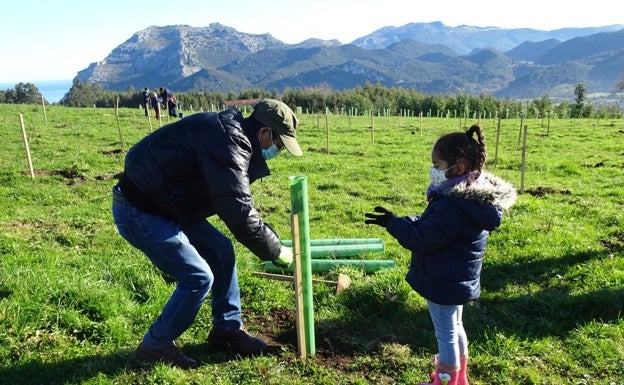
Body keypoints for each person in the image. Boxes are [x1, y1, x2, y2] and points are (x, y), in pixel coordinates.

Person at [112, 98, 303, 369]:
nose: (277, 151)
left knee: (221, 251)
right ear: (264, 133)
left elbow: (234, 202)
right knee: (198, 277)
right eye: (279, 145)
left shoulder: (232, 135)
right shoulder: (229, 143)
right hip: (141, 209)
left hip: (169, 202)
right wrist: (276, 250)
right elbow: (237, 210)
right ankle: (155, 345)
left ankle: (227, 330)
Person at [365, 124, 517, 385]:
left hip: (442, 279)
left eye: (437, 165)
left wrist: (393, 224)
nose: (433, 170)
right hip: (457, 278)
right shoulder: (470, 199)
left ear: (457, 168)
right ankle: (460, 378)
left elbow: (422, 239)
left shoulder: (451, 205)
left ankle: (445, 381)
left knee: (445, 332)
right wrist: (404, 219)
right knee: (456, 327)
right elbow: (432, 225)